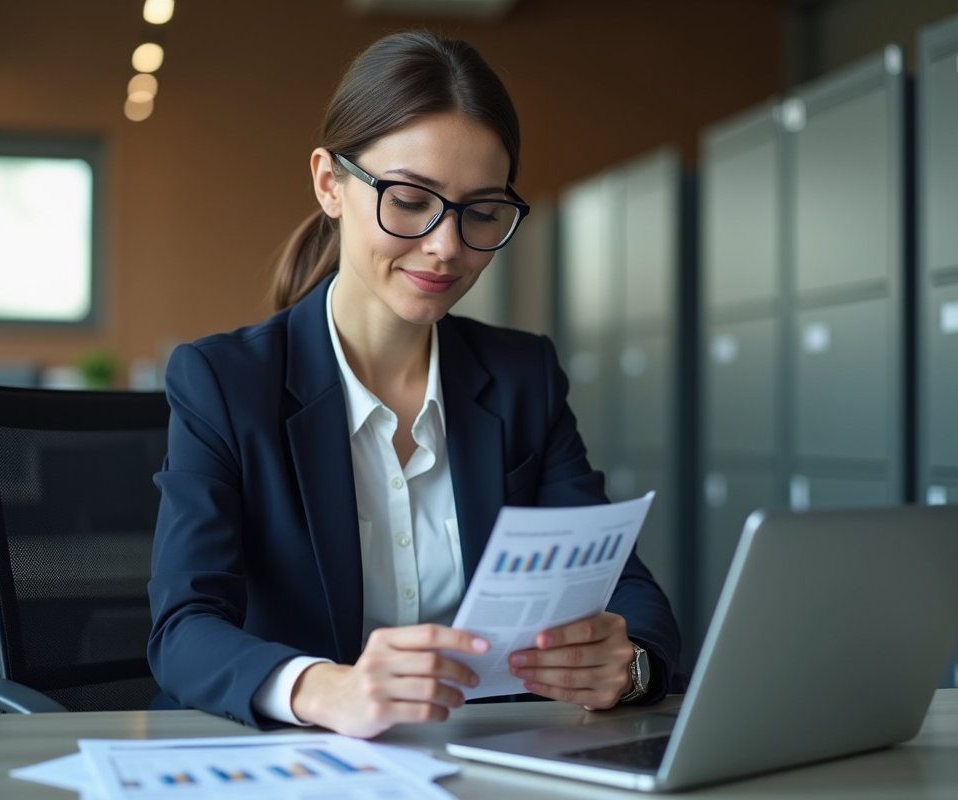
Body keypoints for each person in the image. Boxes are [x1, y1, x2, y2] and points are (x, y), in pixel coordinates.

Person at [148, 29, 680, 738]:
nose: (446, 246)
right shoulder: (225, 381)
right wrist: (325, 689)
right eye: (408, 200)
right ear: (330, 184)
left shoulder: (521, 378)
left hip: (483, 759)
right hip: (297, 761)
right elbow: (183, 628)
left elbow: (625, 588)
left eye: (481, 212)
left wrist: (629, 664)